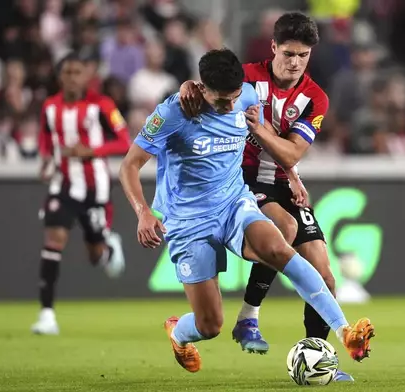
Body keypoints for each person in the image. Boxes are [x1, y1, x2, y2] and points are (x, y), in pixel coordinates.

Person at [119, 48, 374, 373]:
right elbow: (129, 165)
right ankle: (179, 333)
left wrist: (292, 175)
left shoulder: (248, 95)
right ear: (202, 88)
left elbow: (264, 138)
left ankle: (345, 332)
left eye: (234, 98)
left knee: (279, 247)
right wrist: (142, 211)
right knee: (210, 324)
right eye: (221, 101)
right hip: (188, 221)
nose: (230, 107)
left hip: (234, 203)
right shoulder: (174, 113)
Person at [178, 12, 348, 375]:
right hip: (241, 178)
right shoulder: (246, 76)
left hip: (283, 178)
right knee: (283, 230)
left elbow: (290, 153)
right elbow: (207, 86)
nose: (295, 62)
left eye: (303, 56)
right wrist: (187, 86)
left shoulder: (315, 98)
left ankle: (317, 360)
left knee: (326, 277)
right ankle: (249, 316)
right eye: (288, 53)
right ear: (273, 47)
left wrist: (264, 133)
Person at [31, 52, 130, 335]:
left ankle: (108, 246)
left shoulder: (103, 105)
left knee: (95, 255)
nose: (73, 77)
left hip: (94, 189)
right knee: (53, 239)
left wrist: (92, 151)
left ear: (87, 76)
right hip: (62, 186)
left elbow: (125, 141)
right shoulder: (50, 107)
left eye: (78, 72)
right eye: (68, 72)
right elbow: (45, 138)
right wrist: (46, 161)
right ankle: (47, 314)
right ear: (60, 76)